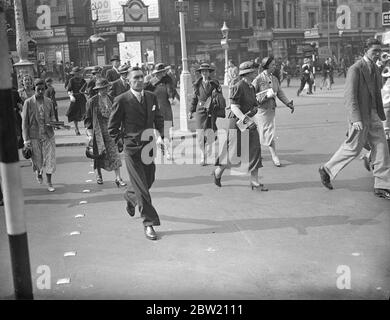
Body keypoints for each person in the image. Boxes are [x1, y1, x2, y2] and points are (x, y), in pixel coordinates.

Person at [318, 38, 390, 200]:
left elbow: (377, 85)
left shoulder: (374, 66)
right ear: (365, 51)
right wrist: (355, 118)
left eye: (379, 51)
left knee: (381, 148)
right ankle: (327, 169)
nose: (378, 54)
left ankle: (382, 185)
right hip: (361, 116)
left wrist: (382, 64)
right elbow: (349, 96)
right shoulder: (355, 69)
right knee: (353, 148)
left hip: (374, 114)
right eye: (374, 51)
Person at [108, 67, 165, 241]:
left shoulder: (151, 96)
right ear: (129, 81)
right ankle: (149, 224)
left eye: (141, 77)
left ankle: (129, 196)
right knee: (142, 189)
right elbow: (112, 128)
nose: (139, 80)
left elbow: (158, 119)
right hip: (132, 149)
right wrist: (123, 141)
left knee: (149, 180)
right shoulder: (122, 100)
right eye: (136, 78)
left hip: (148, 147)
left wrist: (162, 136)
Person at [213, 61, 267, 191]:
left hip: (248, 122)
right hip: (237, 124)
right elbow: (234, 107)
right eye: (254, 72)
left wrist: (256, 105)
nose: (255, 74)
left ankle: (254, 182)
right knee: (233, 153)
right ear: (247, 73)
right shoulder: (238, 86)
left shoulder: (251, 87)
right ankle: (218, 172)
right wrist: (246, 120)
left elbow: (253, 103)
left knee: (255, 149)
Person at [253, 56, 294, 167]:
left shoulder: (275, 79)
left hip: (271, 110)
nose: (275, 67)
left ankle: (260, 153)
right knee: (268, 133)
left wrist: (288, 103)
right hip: (261, 111)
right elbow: (251, 95)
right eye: (273, 65)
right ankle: (274, 156)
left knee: (265, 132)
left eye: (275, 65)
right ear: (266, 66)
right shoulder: (259, 79)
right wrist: (264, 95)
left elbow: (279, 92)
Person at [84, 78, 126, 187]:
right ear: (97, 89)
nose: (104, 90)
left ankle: (118, 178)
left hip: (111, 131)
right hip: (98, 131)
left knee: (114, 154)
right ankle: (99, 175)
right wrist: (89, 135)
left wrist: (120, 130)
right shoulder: (92, 101)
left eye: (105, 88)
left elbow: (118, 115)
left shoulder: (113, 99)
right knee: (99, 154)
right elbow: (88, 119)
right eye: (101, 89)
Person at [22, 79, 57, 192]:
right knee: (37, 160)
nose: (41, 91)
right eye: (38, 89)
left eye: (43, 89)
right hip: (34, 135)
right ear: (34, 89)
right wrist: (26, 140)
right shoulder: (28, 102)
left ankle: (49, 182)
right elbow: (25, 123)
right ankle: (38, 172)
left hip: (48, 134)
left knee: (50, 159)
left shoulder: (49, 101)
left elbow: (52, 117)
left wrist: (54, 123)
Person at [145, 63, 180, 160]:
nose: (160, 75)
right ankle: (164, 149)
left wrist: (174, 98)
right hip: (155, 110)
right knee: (158, 134)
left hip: (166, 109)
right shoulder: (150, 83)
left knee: (167, 132)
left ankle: (168, 152)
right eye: (158, 73)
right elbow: (145, 94)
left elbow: (172, 91)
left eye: (161, 72)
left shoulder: (167, 81)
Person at [189, 63, 222, 166]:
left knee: (211, 133)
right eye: (203, 71)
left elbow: (220, 96)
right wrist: (191, 110)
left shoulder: (214, 83)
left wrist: (217, 94)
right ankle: (203, 155)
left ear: (209, 72)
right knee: (200, 134)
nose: (204, 73)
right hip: (200, 111)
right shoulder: (197, 84)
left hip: (211, 110)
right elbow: (194, 98)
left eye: (206, 71)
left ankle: (208, 147)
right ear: (200, 73)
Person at [66, 66, 87, 136]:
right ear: (74, 73)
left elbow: (86, 88)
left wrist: (86, 92)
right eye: (76, 73)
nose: (78, 74)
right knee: (75, 114)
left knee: (85, 113)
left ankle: (86, 129)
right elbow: (68, 90)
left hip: (82, 98)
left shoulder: (83, 80)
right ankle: (76, 129)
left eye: (78, 72)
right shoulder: (71, 80)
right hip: (75, 98)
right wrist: (71, 96)